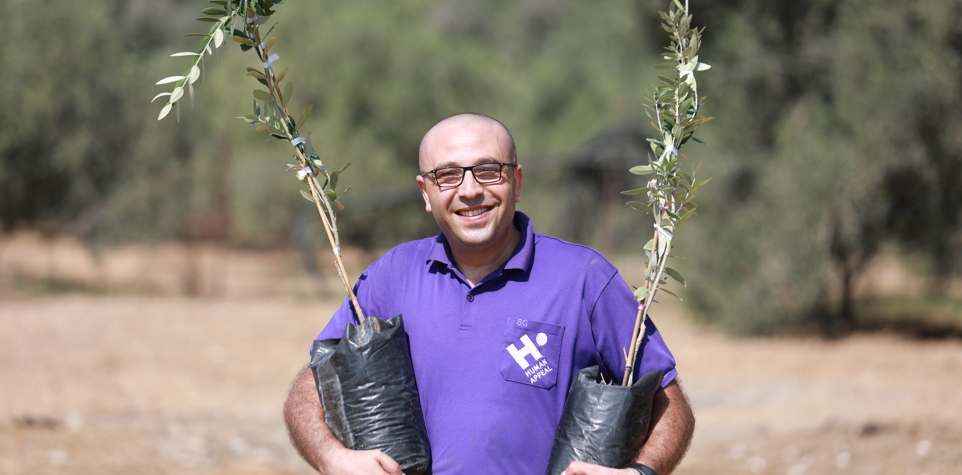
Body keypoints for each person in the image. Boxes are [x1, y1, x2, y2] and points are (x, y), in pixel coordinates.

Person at [283, 113, 695, 475]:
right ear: (426, 193)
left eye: (488, 170)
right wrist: (331, 458)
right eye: (447, 175)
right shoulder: (393, 274)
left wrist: (643, 472)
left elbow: (667, 400)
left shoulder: (584, 278)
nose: (469, 191)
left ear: (516, 182)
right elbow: (311, 383)